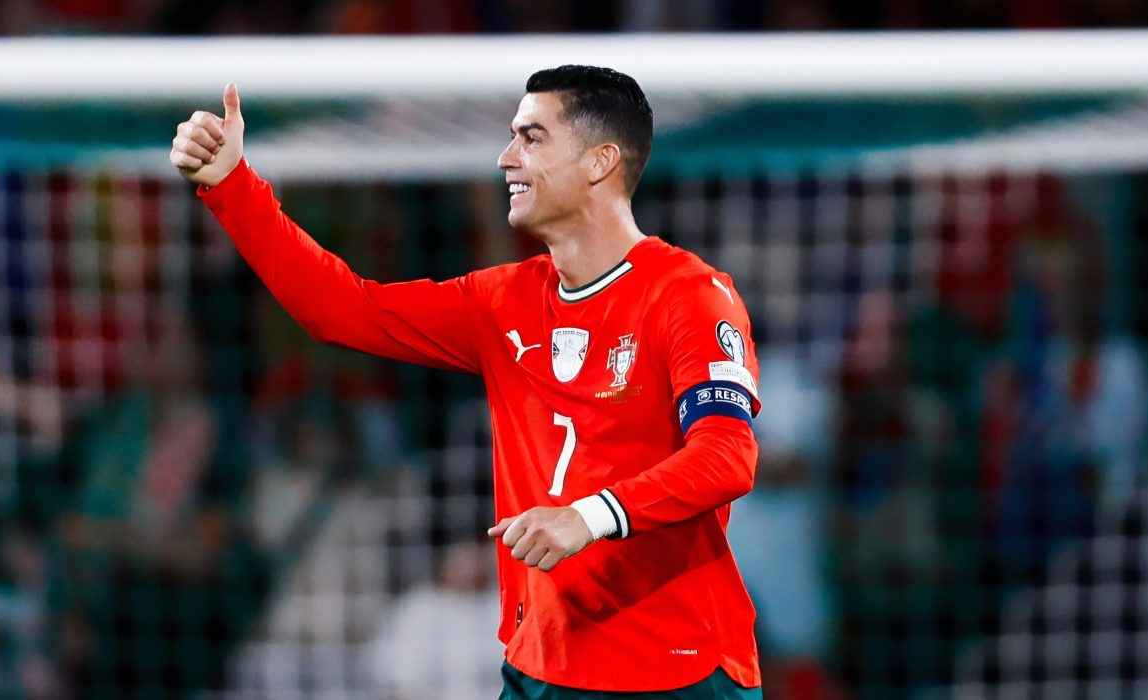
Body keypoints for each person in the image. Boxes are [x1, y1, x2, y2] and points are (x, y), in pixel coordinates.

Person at [170, 65, 762, 698]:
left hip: (675, 668)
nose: (506, 158)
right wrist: (232, 186)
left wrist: (592, 516)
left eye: (532, 138)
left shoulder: (689, 295)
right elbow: (341, 310)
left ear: (600, 162)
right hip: (542, 665)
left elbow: (727, 457)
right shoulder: (503, 301)